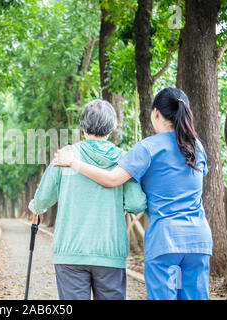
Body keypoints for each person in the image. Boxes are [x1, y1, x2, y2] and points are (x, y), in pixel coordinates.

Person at [53, 87, 213, 300]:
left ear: (156, 113)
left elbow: (111, 179)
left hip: (165, 241)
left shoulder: (147, 148)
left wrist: (73, 162)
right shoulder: (196, 147)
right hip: (198, 240)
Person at [28, 99, 147, 300]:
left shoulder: (66, 156)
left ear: (82, 127)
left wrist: (35, 207)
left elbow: (42, 201)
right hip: (110, 253)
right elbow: (136, 204)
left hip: (71, 251)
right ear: (111, 130)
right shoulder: (123, 160)